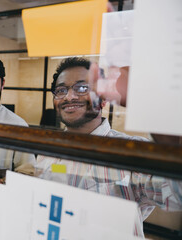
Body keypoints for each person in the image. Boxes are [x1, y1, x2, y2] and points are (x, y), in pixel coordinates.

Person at [35, 57, 182, 238]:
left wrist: (153, 112)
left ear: (103, 101)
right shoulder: (46, 150)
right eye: (61, 90)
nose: (69, 97)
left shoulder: (132, 151)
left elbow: (176, 194)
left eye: (82, 88)